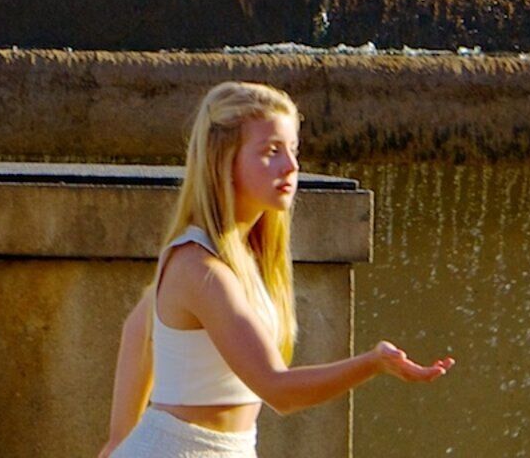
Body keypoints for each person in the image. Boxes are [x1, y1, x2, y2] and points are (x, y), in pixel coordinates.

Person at [100, 81, 452, 457]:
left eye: (293, 150)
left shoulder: (235, 257)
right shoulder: (200, 268)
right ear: (223, 160)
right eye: (272, 151)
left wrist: (119, 439)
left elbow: (139, 328)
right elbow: (278, 391)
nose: (292, 166)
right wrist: (373, 363)